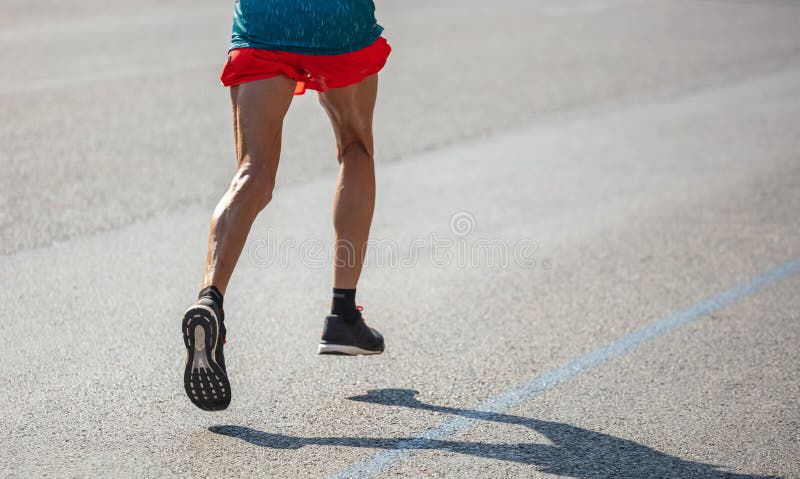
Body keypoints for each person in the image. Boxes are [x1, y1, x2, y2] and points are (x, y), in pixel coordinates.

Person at [181, 0, 391, 411]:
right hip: (338, 21)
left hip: (265, 19)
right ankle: (343, 314)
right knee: (355, 147)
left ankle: (210, 299)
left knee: (252, 173)